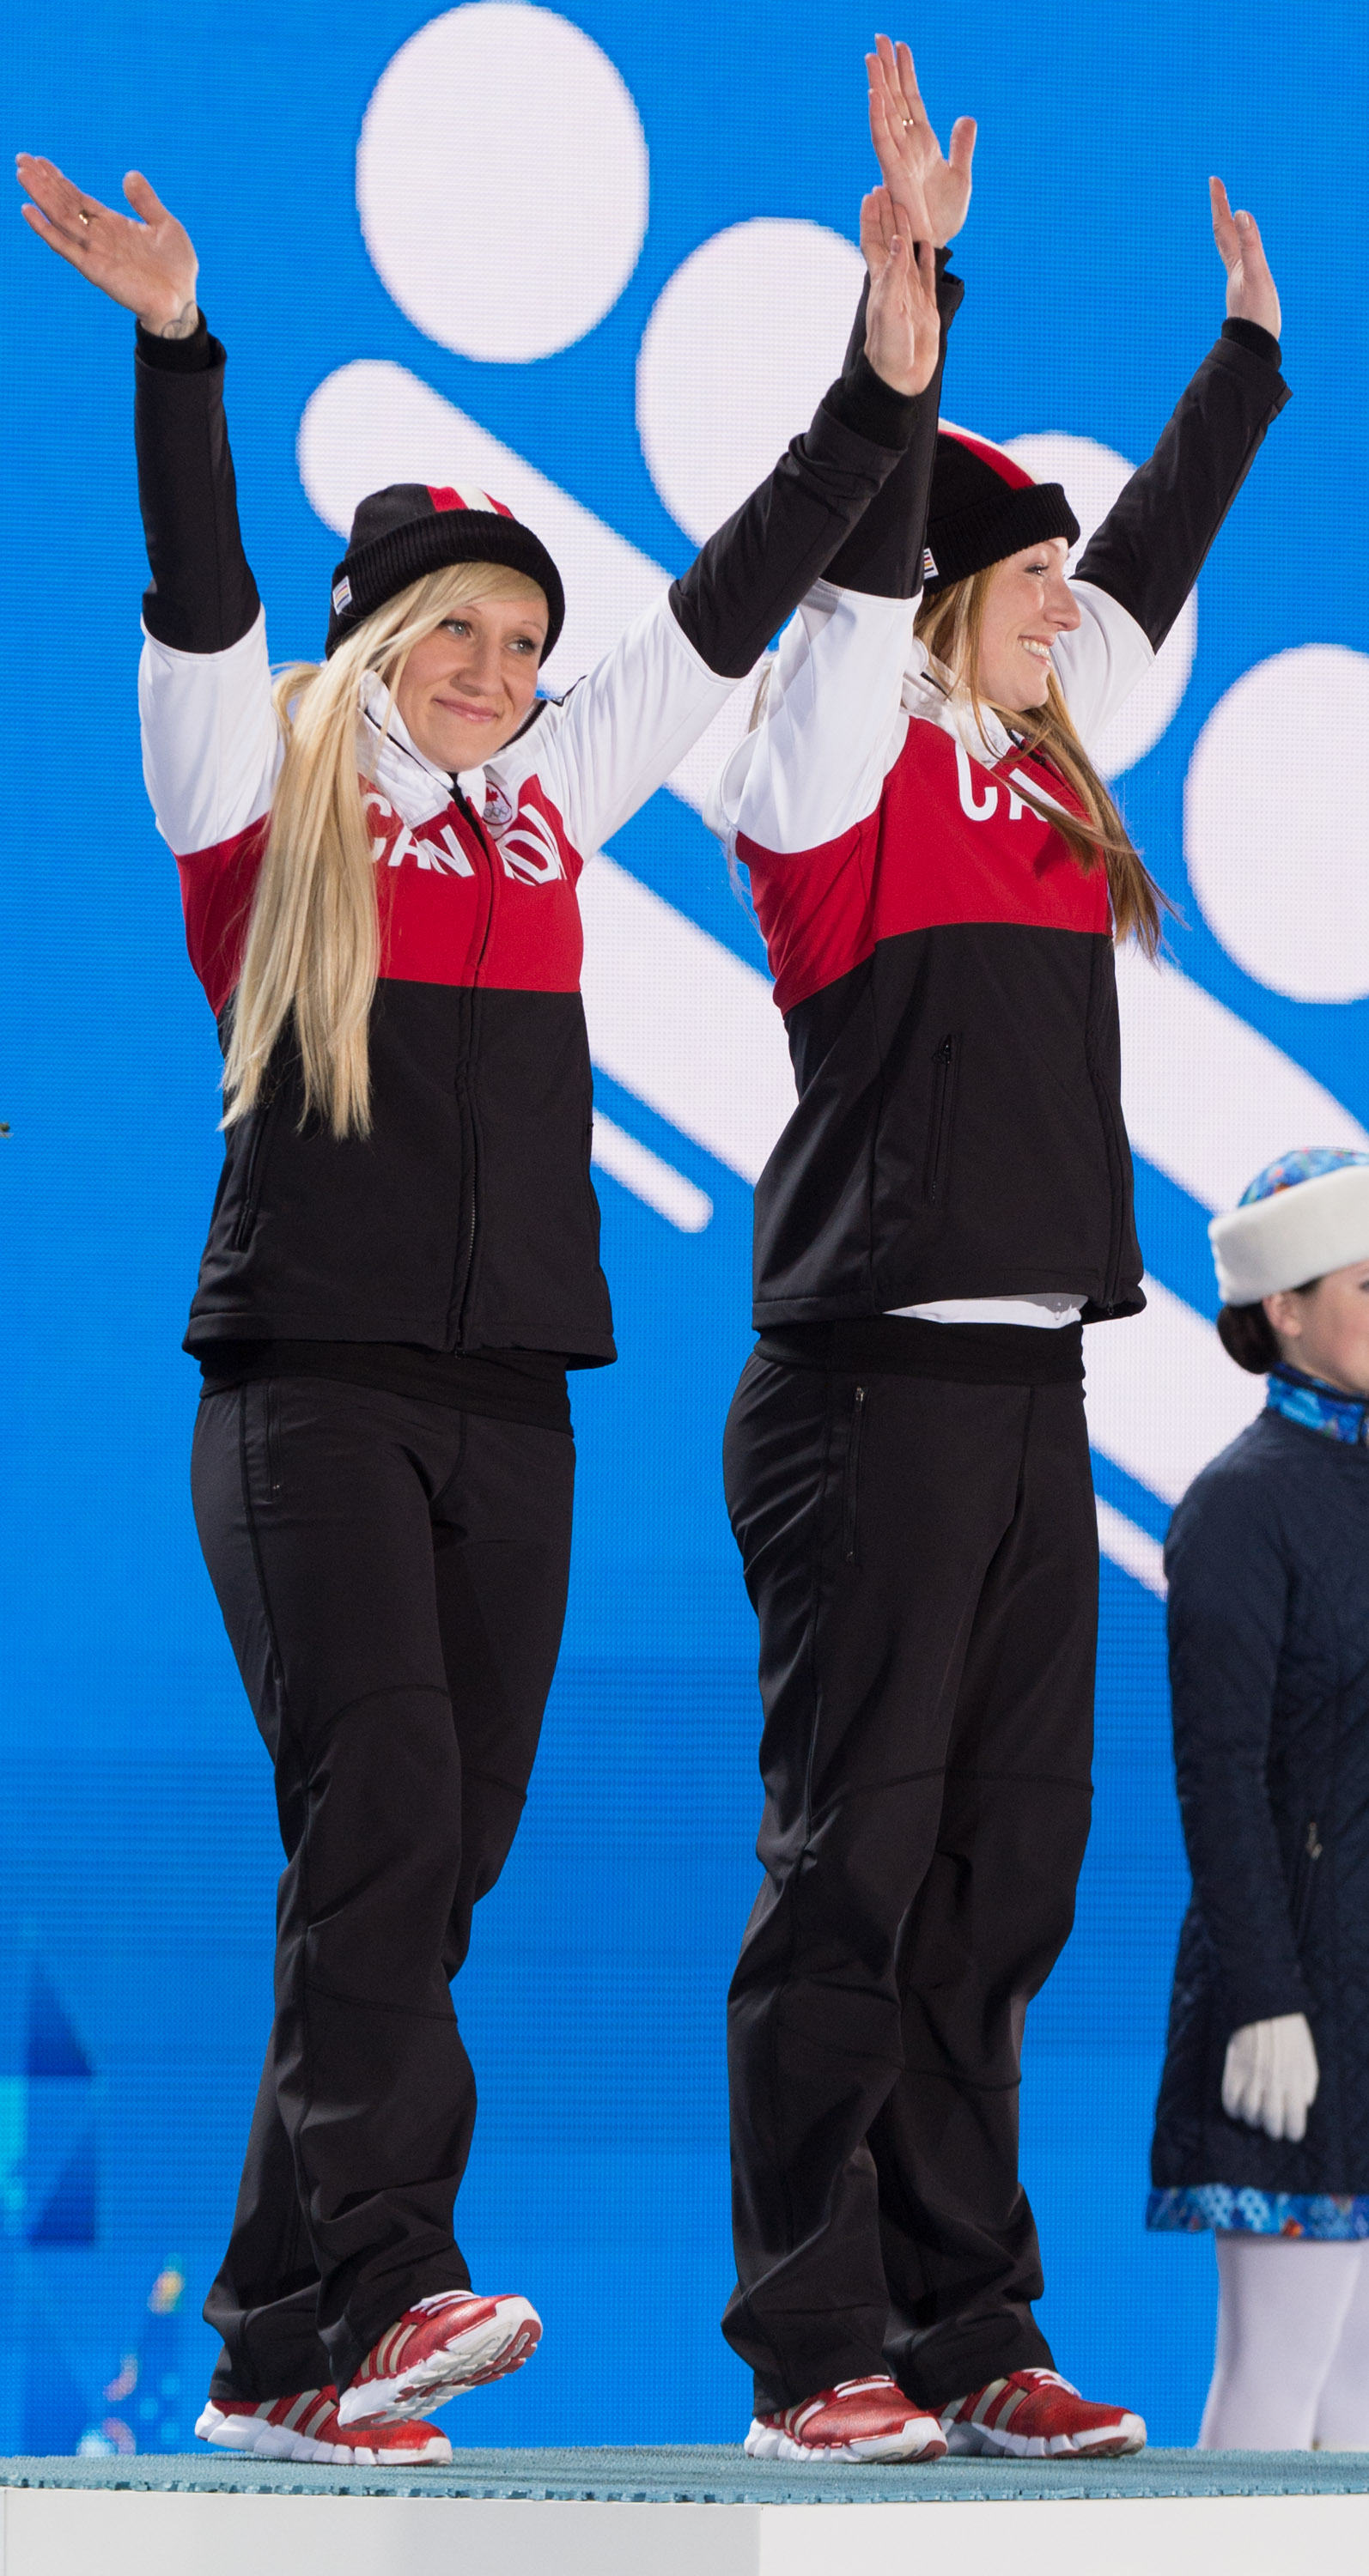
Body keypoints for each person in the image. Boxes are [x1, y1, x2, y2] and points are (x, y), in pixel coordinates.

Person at [14, 114, 945, 2466]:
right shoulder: (262, 795)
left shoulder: (551, 798)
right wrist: (178, 351)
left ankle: (262, 2349)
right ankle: (399, 2281)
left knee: (426, 1852)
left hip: (513, 1400)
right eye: (467, 634)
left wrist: (889, 367)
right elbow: (210, 598)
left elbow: (736, 594)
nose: (508, 671)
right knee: (391, 1816)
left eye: (530, 644)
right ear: (381, 642)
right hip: (304, 1398)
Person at [704, 38, 1292, 2464]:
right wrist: (901, 313)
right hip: (860, 1391)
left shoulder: (1053, 770)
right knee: (851, 1874)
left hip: (1025, 1386)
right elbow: (855, 598)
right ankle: (809, 2344)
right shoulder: (832, 763)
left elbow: (1140, 566)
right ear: (946, 597)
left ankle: (967, 2324)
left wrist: (1242, 371)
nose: (1073, 604)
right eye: (1023, 575)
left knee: (1005, 1871)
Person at [1149, 1149, 1369, 2451]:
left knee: (1357, 2407)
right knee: (1276, 2386)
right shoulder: (1239, 1507)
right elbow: (1217, 1774)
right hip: (1286, 2011)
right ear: (1281, 1308)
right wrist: (1264, 1999)